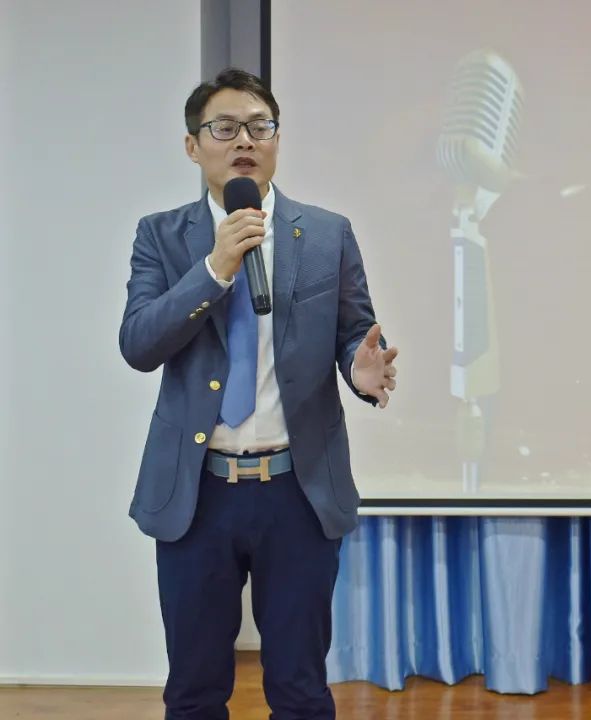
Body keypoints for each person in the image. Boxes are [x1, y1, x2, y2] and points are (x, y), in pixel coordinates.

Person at [119, 67, 398, 720]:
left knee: (300, 689)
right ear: (193, 146)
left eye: (259, 126)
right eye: (224, 127)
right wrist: (215, 269)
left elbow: (354, 332)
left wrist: (359, 371)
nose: (244, 139)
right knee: (194, 691)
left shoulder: (326, 232)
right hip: (198, 492)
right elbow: (139, 343)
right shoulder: (161, 236)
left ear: (276, 139)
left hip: (297, 490)